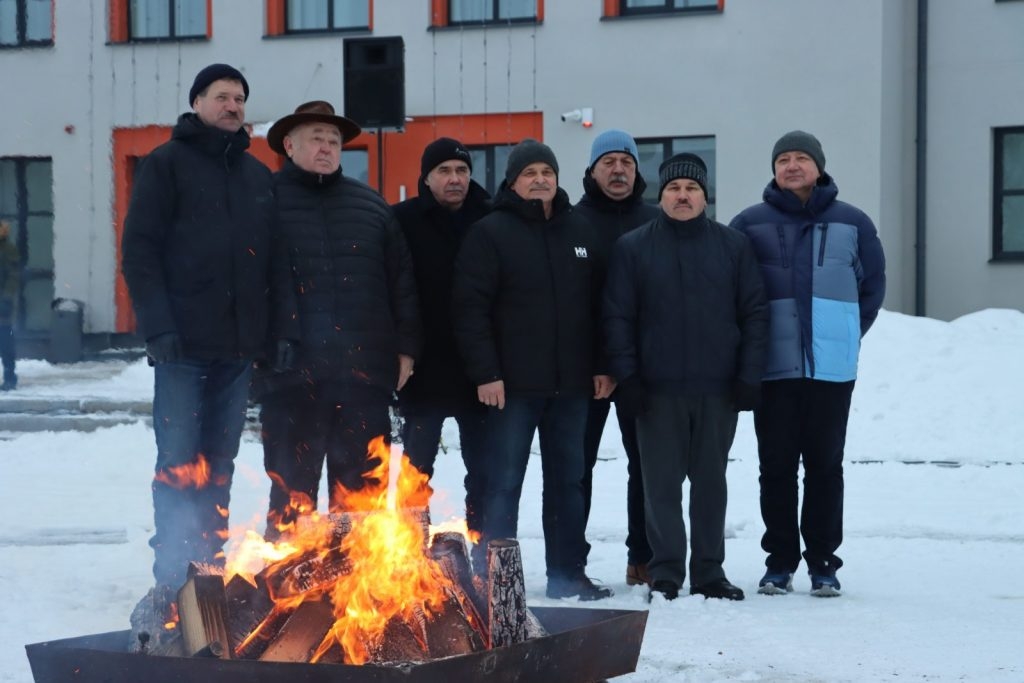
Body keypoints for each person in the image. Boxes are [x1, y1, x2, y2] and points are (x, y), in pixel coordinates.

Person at [122, 64, 298, 597]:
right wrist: (158, 328)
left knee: (220, 463)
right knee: (180, 462)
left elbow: (276, 263)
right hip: (182, 347)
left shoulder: (256, 176)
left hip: (238, 350)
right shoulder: (165, 165)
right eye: (222, 97)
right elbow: (140, 251)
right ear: (197, 102)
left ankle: (208, 572)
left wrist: (278, 333)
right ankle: (173, 582)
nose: (233, 106)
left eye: (240, 98)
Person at [453, 139, 614, 600]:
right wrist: (486, 373)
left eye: (547, 171)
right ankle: (494, 580)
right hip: (512, 388)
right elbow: (470, 310)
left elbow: (601, 306)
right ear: (512, 181)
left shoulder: (580, 229)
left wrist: (602, 365)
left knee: (569, 482)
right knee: (503, 483)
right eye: (530, 173)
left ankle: (567, 575)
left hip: (573, 386)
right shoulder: (490, 233)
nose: (540, 179)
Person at [604, 153, 769, 601]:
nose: (682, 195)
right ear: (662, 196)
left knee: (711, 484)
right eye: (674, 188)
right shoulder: (634, 248)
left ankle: (710, 571)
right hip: (656, 391)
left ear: (704, 196)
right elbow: (618, 317)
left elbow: (754, 313)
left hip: (718, 390)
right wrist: (629, 378)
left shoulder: (733, 246)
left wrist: (748, 376)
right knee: (660, 486)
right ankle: (666, 571)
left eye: (691, 189)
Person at [730, 131, 886, 597]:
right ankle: (779, 561)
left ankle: (823, 562)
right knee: (775, 467)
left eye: (801, 158)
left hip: (831, 369)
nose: (792, 166)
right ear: (774, 169)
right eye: (783, 159)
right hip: (772, 367)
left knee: (825, 466)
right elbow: (732, 288)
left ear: (819, 166)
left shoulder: (853, 222)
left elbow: (872, 286)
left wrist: (846, 333)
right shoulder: (749, 223)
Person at [257, 101, 420, 538]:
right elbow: (248, 284)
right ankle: (289, 595)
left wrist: (406, 348)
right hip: (291, 380)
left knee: (361, 500)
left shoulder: (371, 206)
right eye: (316, 139)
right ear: (289, 145)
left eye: (334, 141)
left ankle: (355, 591)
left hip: (362, 378)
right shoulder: (263, 202)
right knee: (293, 498)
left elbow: (401, 282)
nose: (327, 148)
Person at [573, 129, 660, 587]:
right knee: (576, 467)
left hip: (642, 370)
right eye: (608, 162)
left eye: (625, 161)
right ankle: (572, 561)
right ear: (591, 170)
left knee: (644, 466)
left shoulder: (656, 219)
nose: (619, 169)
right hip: (587, 372)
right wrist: (596, 363)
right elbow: (570, 303)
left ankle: (642, 556)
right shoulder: (572, 221)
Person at [392, 138, 491, 532]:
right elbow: (394, 288)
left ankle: (483, 548)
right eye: (445, 171)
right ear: (426, 178)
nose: (455, 179)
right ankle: (408, 553)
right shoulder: (401, 220)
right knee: (416, 470)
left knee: (484, 470)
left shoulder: (489, 218)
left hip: (478, 369)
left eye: (462, 171)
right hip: (424, 366)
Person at [0, 219, 20, 391]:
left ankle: (10, 376)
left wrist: (6, 297)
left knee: (5, 342)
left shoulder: (8, 250)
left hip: (2, 304)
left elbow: (14, 275)